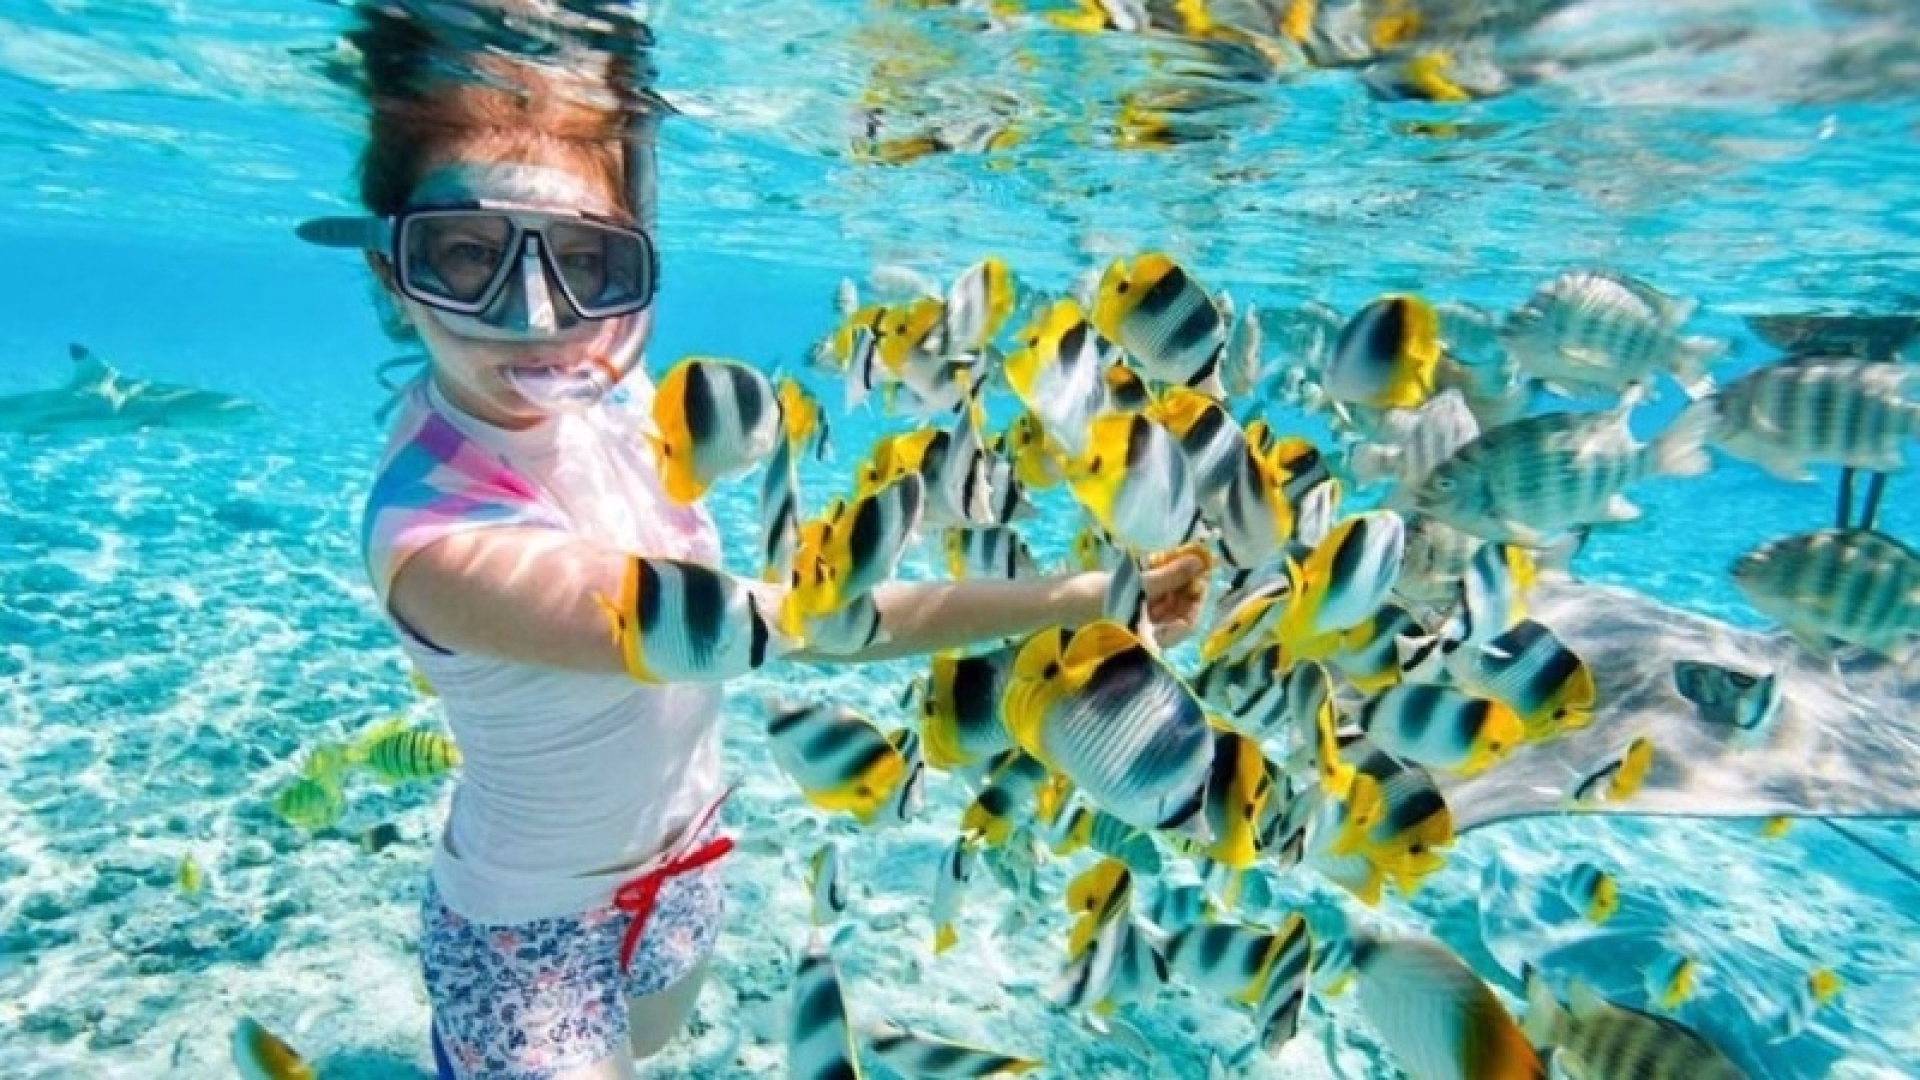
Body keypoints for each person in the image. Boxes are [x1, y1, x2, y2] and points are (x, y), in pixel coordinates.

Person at [295, 5, 1210, 1079]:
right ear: (386, 274)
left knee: (652, 1045)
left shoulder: (613, 395)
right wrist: (1081, 597)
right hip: (523, 938)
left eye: (589, 264)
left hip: (693, 866)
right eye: (462, 255)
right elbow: (810, 626)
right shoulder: (441, 543)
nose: (537, 316)